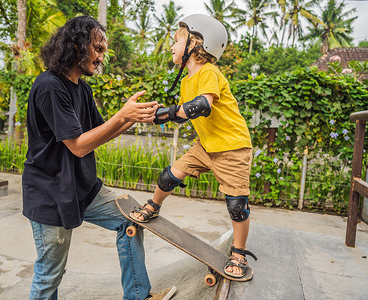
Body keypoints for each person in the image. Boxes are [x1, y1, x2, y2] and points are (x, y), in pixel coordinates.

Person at [22, 15, 176, 300]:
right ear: (77, 45)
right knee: (50, 274)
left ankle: (138, 296)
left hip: (84, 187)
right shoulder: (49, 86)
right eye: (98, 48)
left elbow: (99, 133)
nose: (102, 57)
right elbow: (79, 146)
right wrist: (122, 115)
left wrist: (134, 117)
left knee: (130, 220)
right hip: (50, 193)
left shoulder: (82, 87)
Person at [130, 14, 258, 278]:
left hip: (233, 147)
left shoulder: (209, 72)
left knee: (237, 204)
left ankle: (239, 252)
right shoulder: (187, 81)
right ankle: (153, 206)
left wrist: (169, 112)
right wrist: (159, 115)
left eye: (177, 41)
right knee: (169, 176)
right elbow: (182, 114)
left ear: (197, 44)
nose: (172, 47)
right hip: (206, 146)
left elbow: (202, 106)